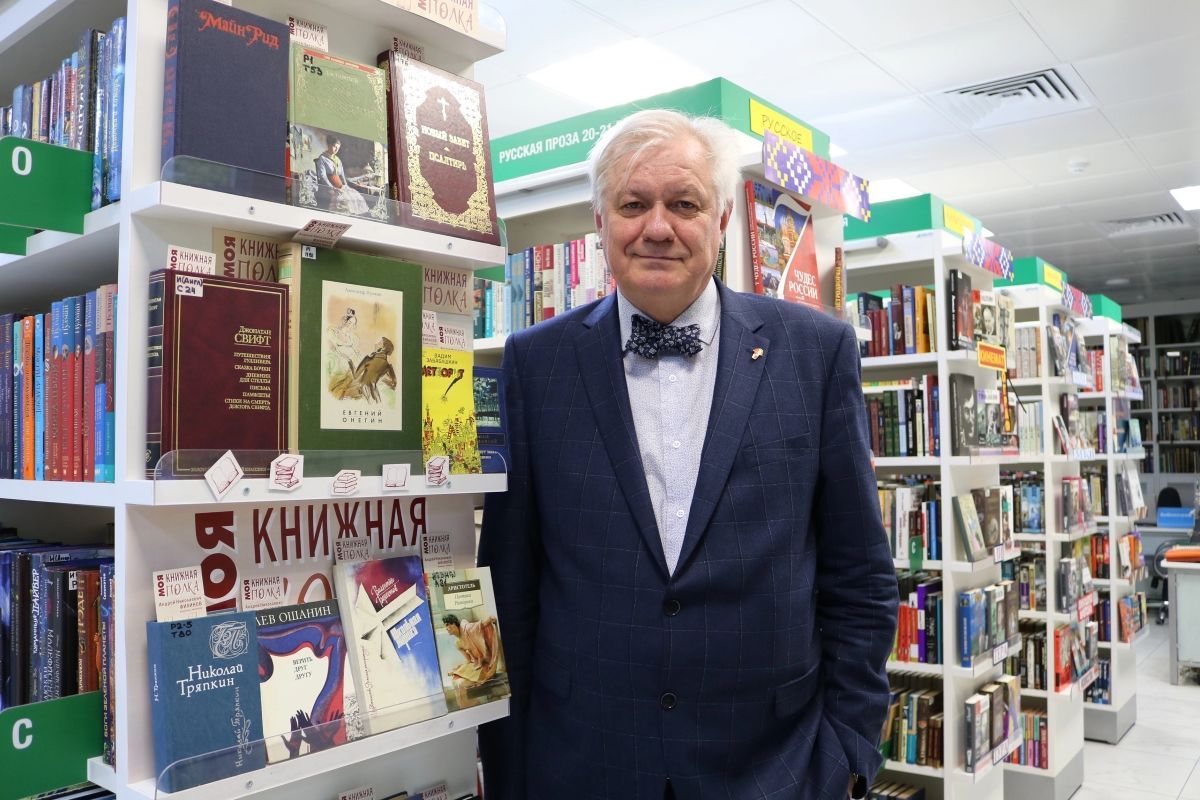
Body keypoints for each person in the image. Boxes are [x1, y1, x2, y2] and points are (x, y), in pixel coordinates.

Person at [478, 110, 897, 799]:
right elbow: (511, 584)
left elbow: (860, 577)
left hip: (773, 769)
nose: (657, 227)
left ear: (723, 218)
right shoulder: (535, 362)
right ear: (600, 221)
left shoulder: (815, 353)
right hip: (582, 765)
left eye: (684, 204)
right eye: (632, 205)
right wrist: (509, 768)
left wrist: (849, 752)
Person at [314, 134, 369, 216]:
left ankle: (354, 215)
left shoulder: (338, 160)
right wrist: (331, 187)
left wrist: (346, 186)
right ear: (329, 145)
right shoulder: (322, 159)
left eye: (338, 148)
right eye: (334, 147)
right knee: (343, 199)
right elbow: (322, 176)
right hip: (329, 185)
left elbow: (342, 175)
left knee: (354, 194)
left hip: (340, 185)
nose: (336, 149)